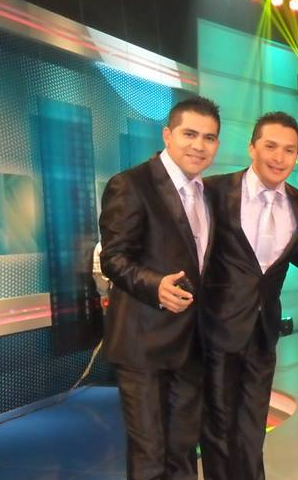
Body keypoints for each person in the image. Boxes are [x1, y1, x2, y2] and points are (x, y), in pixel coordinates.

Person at [98, 96, 219, 480]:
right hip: (143, 345)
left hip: (190, 345)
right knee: (150, 456)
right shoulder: (130, 184)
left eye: (209, 138)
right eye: (189, 134)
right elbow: (113, 257)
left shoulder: (206, 193)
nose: (199, 145)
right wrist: (155, 286)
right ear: (167, 135)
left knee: (182, 451)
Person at [199, 112, 298, 480]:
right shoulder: (214, 191)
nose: (279, 157)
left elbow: (297, 253)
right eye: (271, 146)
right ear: (252, 147)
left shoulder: (297, 199)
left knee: (251, 428)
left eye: (289, 150)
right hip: (216, 330)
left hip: (263, 332)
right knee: (217, 430)